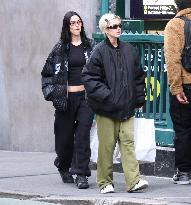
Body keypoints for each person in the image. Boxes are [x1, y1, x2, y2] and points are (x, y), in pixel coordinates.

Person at [81, 13, 148, 193]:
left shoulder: (129, 50)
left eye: (119, 25)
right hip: (107, 108)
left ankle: (133, 181)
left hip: (127, 106)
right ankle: (105, 182)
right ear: (105, 29)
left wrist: (139, 98)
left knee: (128, 143)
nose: (118, 28)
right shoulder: (99, 52)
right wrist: (109, 96)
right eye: (113, 26)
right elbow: (89, 77)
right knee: (107, 146)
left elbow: (138, 77)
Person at [41, 11, 94, 189]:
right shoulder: (59, 48)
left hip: (86, 99)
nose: (77, 25)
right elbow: (46, 74)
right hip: (65, 99)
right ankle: (64, 165)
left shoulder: (90, 47)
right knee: (64, 140)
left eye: (79, 22)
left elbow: (99, 70)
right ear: (67, 26)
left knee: (82, 135)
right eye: (73, 23)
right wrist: (52, 93)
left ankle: (81, 174)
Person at [164, 0, 191, 185]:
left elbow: (172, 59)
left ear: (176, 6)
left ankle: (184, 172)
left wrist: (176, 88)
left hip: (186, 85)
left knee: (183, 130)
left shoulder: (175, 24)